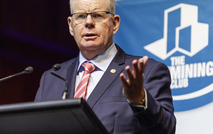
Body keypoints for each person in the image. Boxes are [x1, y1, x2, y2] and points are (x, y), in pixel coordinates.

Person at [35, 0, 176, 133]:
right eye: (81, 16)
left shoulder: (147, 71)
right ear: (71, 26)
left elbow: (165, 130)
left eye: (97, 15)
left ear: (114, 23)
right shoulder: (52, 78)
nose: (88, 22)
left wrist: (140, 100)